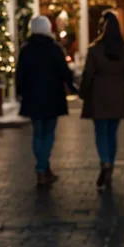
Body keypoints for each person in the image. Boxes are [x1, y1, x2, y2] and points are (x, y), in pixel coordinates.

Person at [16, 15, 76, 188]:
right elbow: (65, 72)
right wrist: (72, 87)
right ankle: (42, 168)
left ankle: (43, 167)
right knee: (48, 134)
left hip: (33, 98)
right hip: (52, 97)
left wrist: (21, 92)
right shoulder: (54, 48)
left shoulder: (26, 49)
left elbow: (20, 75)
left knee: (38, 133)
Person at [79, 11, 124, 190]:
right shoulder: (123, 48)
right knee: (112, 133)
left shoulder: (95, 49)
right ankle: (110, 164)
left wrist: (83, 92)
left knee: (101, 133)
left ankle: (105, 162)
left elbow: (88, 74)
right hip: (118, 96)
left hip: (98, 96)